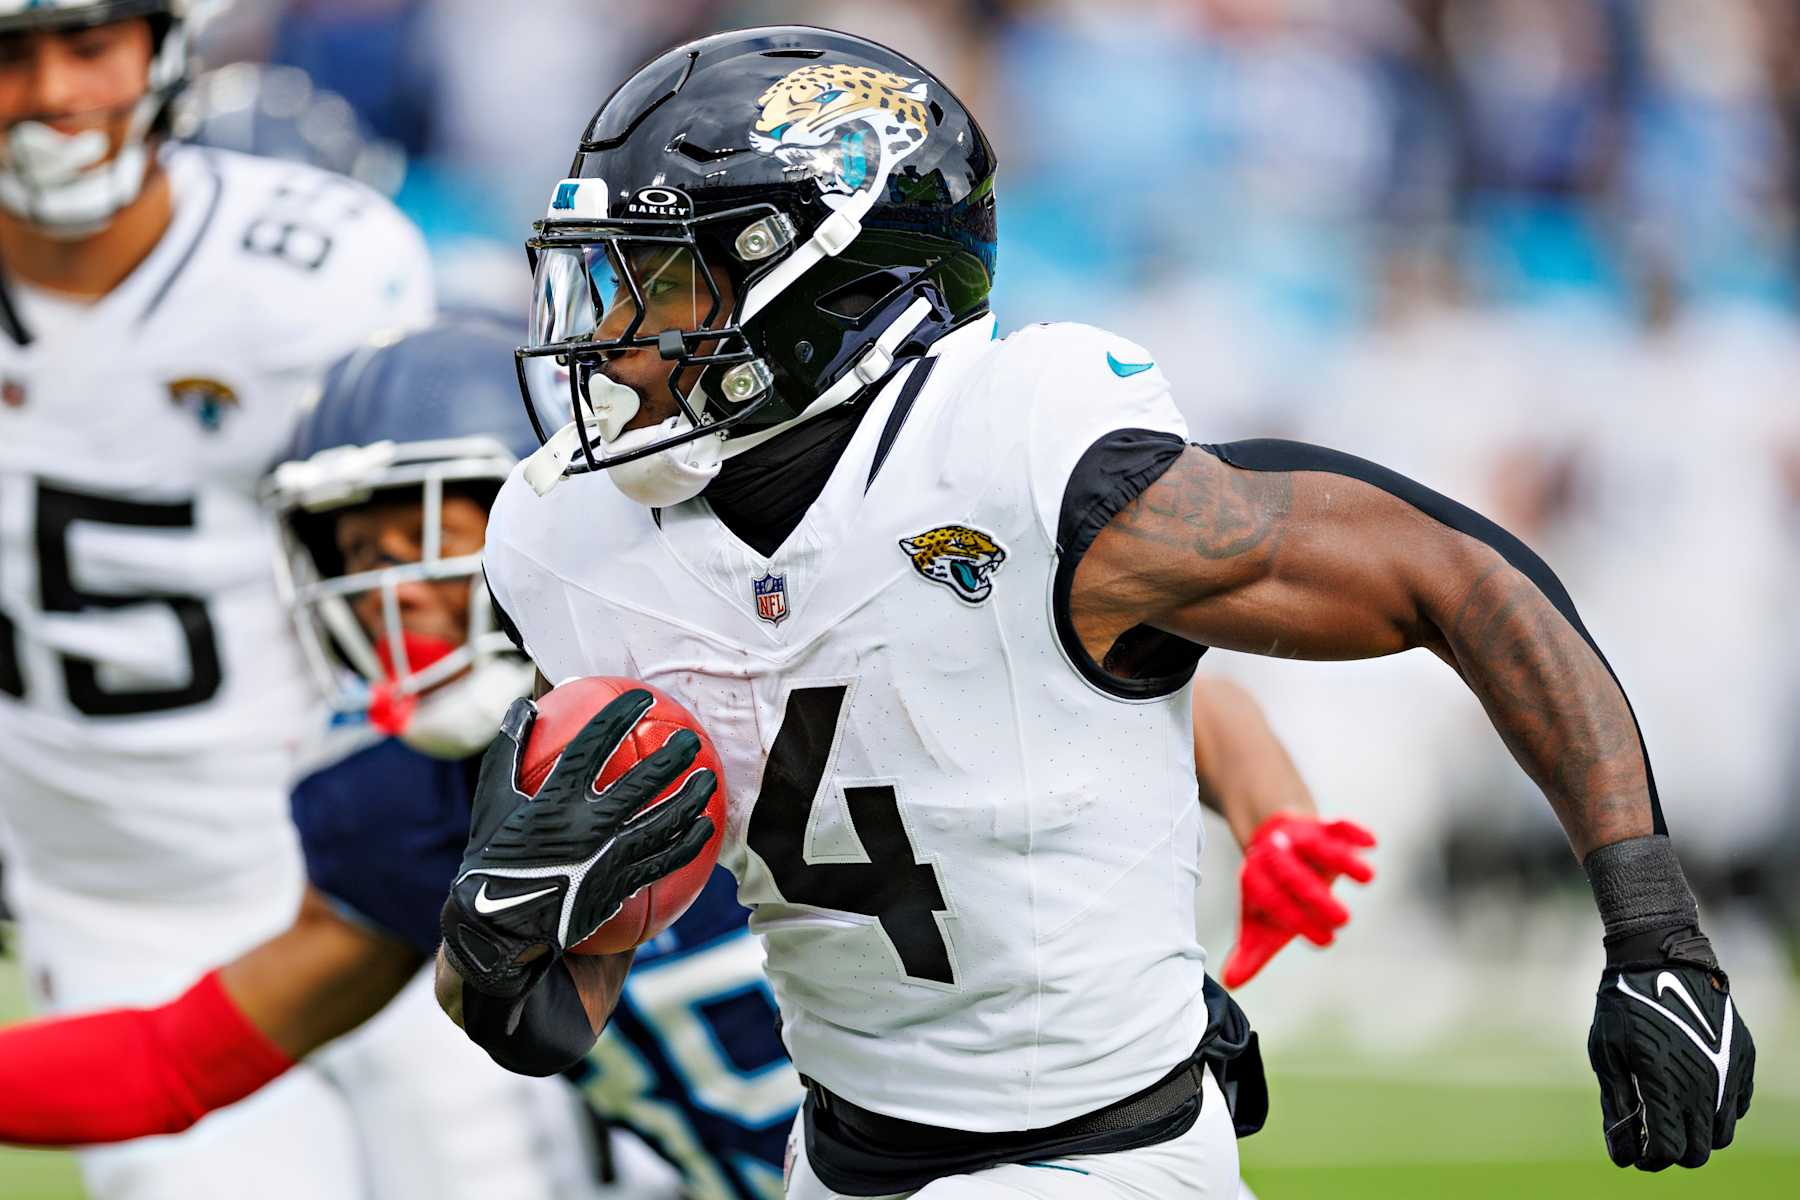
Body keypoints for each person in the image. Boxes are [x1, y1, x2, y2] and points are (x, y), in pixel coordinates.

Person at [438, 25, 1756, 1198]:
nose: (612, 333)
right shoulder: (571, 543)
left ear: (827, 289)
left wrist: (1656, 930)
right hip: (838, 1161)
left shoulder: (1019, 454)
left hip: (1107, 1158)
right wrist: (497, 945)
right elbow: (555, 1013)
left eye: (664, 282)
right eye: (612, 278)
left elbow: (1453, 574)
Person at [0, 315, 1368, 1200]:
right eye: (360, 551)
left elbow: (1133, 676)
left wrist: (1276, 818)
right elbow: (175, 1062)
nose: (397, 589)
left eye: (432, 532)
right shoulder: (403, 806)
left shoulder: (727, 641)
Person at [0, 4, 537, 1198]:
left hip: (375, 847)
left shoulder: (309, 269)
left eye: (86, 44)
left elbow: (456, 544)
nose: (51, 92)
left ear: (162, 47)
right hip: (115, 887)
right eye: (9, 57)